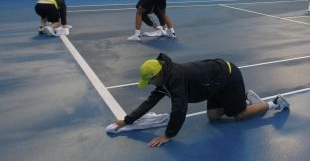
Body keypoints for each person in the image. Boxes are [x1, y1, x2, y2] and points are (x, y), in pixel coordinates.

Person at [110, 53, 290, 147]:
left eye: (149, 80)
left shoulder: (175, 80)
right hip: (213, 84)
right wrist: (127, 120)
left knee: (238, 115)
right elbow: (150, 101)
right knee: (213, 117)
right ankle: (242, 98)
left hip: (228, 77)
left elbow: (179, 109)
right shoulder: (163, 79)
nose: (149, 84)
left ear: (157, 74)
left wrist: (168, 135)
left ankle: (274, 103)